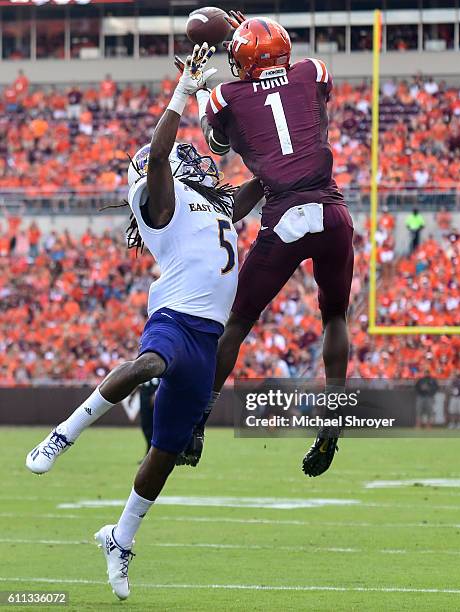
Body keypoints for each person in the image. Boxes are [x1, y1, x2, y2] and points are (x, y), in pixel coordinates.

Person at [25, 44, 262, 600]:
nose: (197, 162)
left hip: (209, 337)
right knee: (151, 361)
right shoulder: (163, 199)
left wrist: (287, 161)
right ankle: (65, 433)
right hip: (175, 318)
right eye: (187, 159)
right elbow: (159, 162)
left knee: (165, 452)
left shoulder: (214, 204)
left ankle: (120, 537)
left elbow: (257, 188)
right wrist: (184, 90)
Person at [179, 12, 354, 477]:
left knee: (235, 324)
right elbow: (299, 116)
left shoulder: (225, 95)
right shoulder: (313, 71)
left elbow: (216, 146)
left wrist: (199, 90)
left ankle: (197, 422)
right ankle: (333, 419)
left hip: (285, 216)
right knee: (335, 315)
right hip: (332, 212)